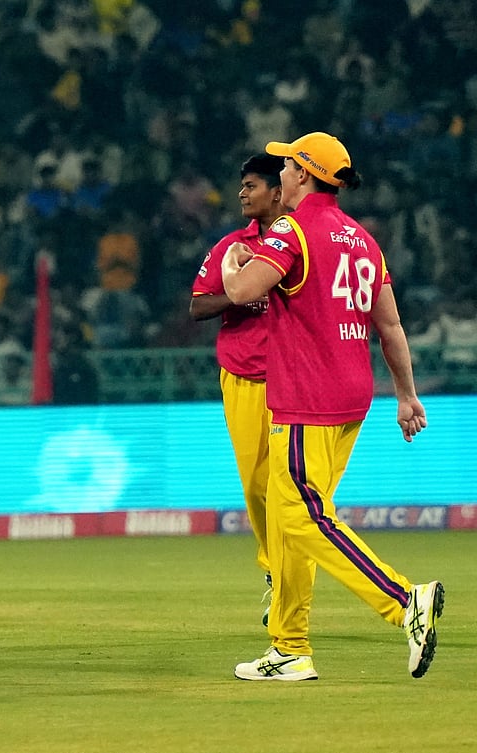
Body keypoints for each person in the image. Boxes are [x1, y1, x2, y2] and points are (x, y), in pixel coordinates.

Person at [222, 131, 442, 681]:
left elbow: (244, 290)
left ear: (302, 174)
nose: (283, 173)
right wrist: (406, 393)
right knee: (292, 522)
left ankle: (404, 601)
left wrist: (233, 266)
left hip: (306, 400)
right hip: (352, 397)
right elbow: (388, 325)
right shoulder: (364, 240)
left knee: (302, 517)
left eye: (288, 164)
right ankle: (290, 648)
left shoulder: (293, 230)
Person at [189, 153, 289, 625]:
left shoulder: (301, 242)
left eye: (251, 185)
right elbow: (197, 306)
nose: (242, 194)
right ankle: (275, 573)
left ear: (277, 191)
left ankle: (290, 580)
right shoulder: (231, 247)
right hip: (245, 376)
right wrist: (243, 287)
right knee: (256, 483)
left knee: (290, 484)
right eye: (241, 186)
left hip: (295, 376)